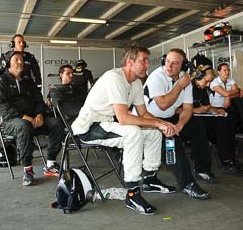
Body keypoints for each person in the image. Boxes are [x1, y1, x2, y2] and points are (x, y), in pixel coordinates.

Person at [72, 46, 178, 215]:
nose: (147, 65)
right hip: (89, 128)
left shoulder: (136, 82)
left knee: (153, 132)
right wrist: (158, 123)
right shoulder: (114, 78)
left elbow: (143, 113)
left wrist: (162, 123)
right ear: (130, 62)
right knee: (134, 133)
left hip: (107, 123)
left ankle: (150, 178)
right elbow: (124, 118)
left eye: (147, 61)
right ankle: (132, 194)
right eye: (143, 60)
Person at [144, 48, 217, 198]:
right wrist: (179, 86)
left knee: (196, 126)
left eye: (175, 63)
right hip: (150, 119)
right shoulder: (156, 77)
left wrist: (180, 125)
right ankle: (187, 184)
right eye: (167, 62)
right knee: (172, 139)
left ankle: (202, 169)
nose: (169, 66)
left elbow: (188, 108)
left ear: (183, 66)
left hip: (170, 117)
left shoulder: (185, 78)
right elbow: (163, 104)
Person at [0, 51, 65, 186]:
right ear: (8, 63)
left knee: (56, 123)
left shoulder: (28, 80)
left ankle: (50, 165)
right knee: (24, 126)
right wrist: (26, 117)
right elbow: (1, 107)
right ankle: (27, 170)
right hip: (12, 122)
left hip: (34, 119)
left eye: (21, 60)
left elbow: (38, 100)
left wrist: (40, 114)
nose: (20, 62)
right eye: (16, 60)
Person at [191, 64, 243, 176]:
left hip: (203, 117)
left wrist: (216, 110)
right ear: (199, 77)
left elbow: (207, 107)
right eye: (207, 82)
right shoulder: (189, 88)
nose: (208, 85)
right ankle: (226, 162)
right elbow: (179, 109)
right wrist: (196, 110)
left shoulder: (203, 90)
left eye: (210, 83)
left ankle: (231, 159)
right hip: (191, 119)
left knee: (227, 121)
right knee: (221, 126)